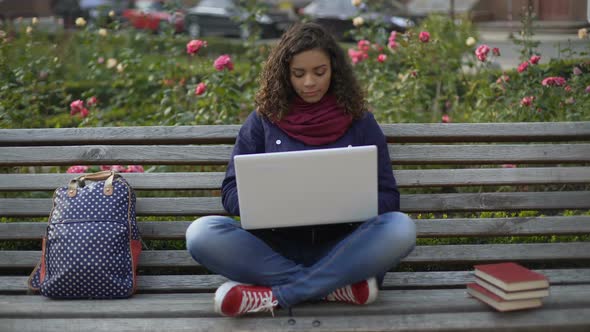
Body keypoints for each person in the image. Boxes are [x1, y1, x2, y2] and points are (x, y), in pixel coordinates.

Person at [185, 22, 416, 317]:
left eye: (319, 72)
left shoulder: (360, 122)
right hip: (273, 250)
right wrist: (270, 203)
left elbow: (388, 197)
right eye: (299, 74)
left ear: (334, 70)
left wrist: (346, 203)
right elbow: (230, 192)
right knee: (201, 233)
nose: (309, 82)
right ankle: (334, 288)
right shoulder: (263, 121)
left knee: (401, 228)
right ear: (285, 74)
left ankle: (278, 295)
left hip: (344, 249)